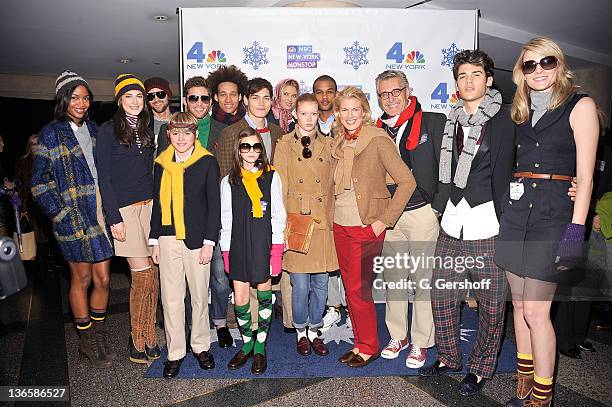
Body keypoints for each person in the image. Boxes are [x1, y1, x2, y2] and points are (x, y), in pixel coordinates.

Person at [495, 38, 599, 406]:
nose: (538, 70)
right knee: (519, 308)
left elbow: (585, 178)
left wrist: (575, 232)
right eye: (529, 65)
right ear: (520, 72)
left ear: (560, 65)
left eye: (546, 62)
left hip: (554, 219)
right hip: (516, 216)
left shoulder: (580, 105)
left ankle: (543, 395)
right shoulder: (518, 112)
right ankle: (523, 379)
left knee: (538, 312)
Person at [419, 50, 514, 397]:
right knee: (441, 293)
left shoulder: (504, 121)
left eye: (476, 74)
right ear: (456, 83)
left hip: (488, 222)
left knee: (491, 304)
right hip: (453, 221)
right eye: (462, 76)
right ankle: (448, 357)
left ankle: (482, 366)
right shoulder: (450, 121)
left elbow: (512, 170)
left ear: (489, 79)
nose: (468, 81)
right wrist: (439, 207)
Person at [31, 71, 114, 367]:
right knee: (82, 278)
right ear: (63, 100)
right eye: (75, 97)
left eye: (86, 97)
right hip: (72, 217)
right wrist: (60, 214)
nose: (81, 103)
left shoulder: (95, 130)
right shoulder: (51, 133)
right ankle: (86, 342)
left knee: (104, 278)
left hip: (99, 214)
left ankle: (100, 334)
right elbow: (39, 182)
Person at [330, 86, 416, 368]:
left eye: (356, 109)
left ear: (365, 111)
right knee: (351, 289)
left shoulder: (377, 139)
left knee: (360, 289)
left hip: (365, 226)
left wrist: (383, 221)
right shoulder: (338, 140)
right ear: (338, 114)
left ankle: (369, 347)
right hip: (340, 224)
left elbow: (407, 182)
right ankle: (359, 342)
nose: (350, 115)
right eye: (344, 110)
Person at [374, 70, 445, 368]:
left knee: (424, 281)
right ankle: (398, 335)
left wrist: (437, 208)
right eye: (383, 94)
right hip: (390, 216)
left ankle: (421, 341)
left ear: (407, 90)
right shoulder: (375, 129)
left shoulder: (434, 121)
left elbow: (447, 166)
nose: (390, 99)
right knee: (394, 279)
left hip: (421, 213)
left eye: (395, 92)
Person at [216, 77, 293, 332]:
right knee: (242, 286)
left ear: (273, 102)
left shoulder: (279, 133)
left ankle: (263, 333)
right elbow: (225, 178)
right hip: (241, 222)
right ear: (246, 101)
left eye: (266, 97)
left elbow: (281, 179)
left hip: (270, 219)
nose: (261, 103)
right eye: (255, 97)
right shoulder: (230, 134)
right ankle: (248, 334)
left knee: (266, 280)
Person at [150, 112, 220, 378]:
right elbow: (157, 204)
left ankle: (201, 347)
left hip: (197, 240)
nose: (181, 138)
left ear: (195, 135)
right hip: (167, 239)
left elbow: (214, 206)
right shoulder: (161, 163)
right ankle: (175, 352)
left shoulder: (206, 162)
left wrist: (209, 242)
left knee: (200, 297)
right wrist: (154, 240)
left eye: (187, 133)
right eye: (176, 133)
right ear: (169, 135)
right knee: (171, 299)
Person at [97, 74, 160, 364]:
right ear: (120, 101)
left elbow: (150, 173)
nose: (135, 102)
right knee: (142, 275)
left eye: (139, 96)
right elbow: (104, 178)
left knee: (154, 274)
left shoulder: (147, 130)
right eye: (128, 97)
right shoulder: (107, 131)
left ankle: (150, 335)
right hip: (125, 211)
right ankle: (137, 338)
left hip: (149, 207)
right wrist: (114, 217)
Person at [273, 93, 338, 356]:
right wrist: (281, 227)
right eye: (304, 113)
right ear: (295, 115)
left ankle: (315, 329)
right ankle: (301, 330)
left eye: (314, 113)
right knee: (299, 283)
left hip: (322, 219)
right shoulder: (284, 144)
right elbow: (279, 188)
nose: (309, 119)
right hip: (297, 219)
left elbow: (334, 185)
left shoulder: (330, 144)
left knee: (321, 283)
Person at [220, 127, 286, 374]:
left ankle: (260, 347)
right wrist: (226, 252)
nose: (250, 151)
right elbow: (226, 219)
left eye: (255, 146)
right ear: (238, 150)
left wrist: (276, 251)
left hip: (263, 244)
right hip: (237, 244)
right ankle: (247, 344)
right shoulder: (228, 181)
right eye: (245, 146)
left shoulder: (272, 176)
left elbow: (278, 215)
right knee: (240, 298)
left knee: (264, 295)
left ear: (261, 149)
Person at [313, 75, 349, 331]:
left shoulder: (347, 122)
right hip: (318, 203)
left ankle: (352, 307)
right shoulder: (306, 123)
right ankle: (333, 307)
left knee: (348, 258)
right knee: (327, 257)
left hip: (345, 201)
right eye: (319, 92)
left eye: (330, 92)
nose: (325, 97)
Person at [144, 76, 174, 148]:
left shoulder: (182, 120)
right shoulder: (143, 125)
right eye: (150, 96)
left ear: (168, 96)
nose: (156, 99)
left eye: (161, 94)